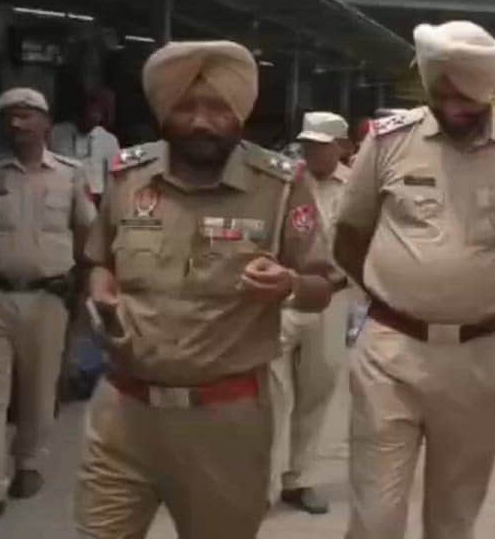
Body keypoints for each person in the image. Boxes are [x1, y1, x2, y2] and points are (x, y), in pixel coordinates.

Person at [74, 41, 334, 539]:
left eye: (217, 108)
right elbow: (99, 261)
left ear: (238, 113)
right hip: (122, 414)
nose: (201, 122)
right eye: (186, 107)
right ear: (163, 112)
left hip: (225, 420)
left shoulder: (280, 186)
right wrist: (102, 294)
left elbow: (321, 285)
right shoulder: (128, 177)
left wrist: (289, 284)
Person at [334, 21, 495, 539]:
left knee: (454, 517)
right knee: (375, 517)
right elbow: (349, 233)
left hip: (478, 358)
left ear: (486, 88)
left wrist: (488, 296)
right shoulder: (390, 140)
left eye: (465, 94)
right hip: (390, 352)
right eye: (442, 91)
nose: (452, 103)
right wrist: (394, 293)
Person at [0, 88, 96, 535]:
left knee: (39, 393)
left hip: (48, 297)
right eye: (10, 117)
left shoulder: (70, 176)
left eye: (26, 116)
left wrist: (82, 295)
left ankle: (30, 462)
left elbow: (86, 239)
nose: (18, 125)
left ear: (45, 122)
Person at [268, 111, 360, 513]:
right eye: (307, 145)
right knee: (272, 393)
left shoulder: (358, 187)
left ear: (341, 147)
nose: (312, 152)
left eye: (321, 146)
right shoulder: (284, 183)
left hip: (334, 297)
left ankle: (298, 478)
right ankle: (262, 481)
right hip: (285, 296)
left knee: (317, 391)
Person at [49, 88, 121, 203]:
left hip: (96, 200)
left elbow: (115, 176)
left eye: (98, 113)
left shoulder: (109, 140)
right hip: (61, 197)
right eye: (89, 111)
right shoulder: (56, 133)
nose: (93, 117)